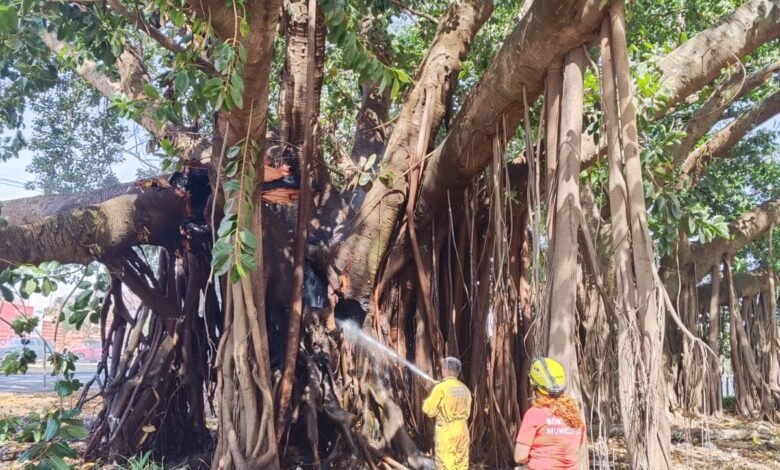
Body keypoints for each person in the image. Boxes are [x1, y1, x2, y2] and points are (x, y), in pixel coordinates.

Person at [514, 357, 586, 469]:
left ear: (535, 386)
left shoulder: (534, 414)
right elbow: (578, 447)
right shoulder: (575, 414)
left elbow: (520, 456)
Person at [422, 356, 472, 470]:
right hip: (463, 430)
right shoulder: (465, 389)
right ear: (457, 372)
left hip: (447, 431)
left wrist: (434, 390)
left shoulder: (440, 388)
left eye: (443, 368)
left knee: (445, 464)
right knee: (461, 464)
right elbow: (468, 410)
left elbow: (428, 410)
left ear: (446, 370)